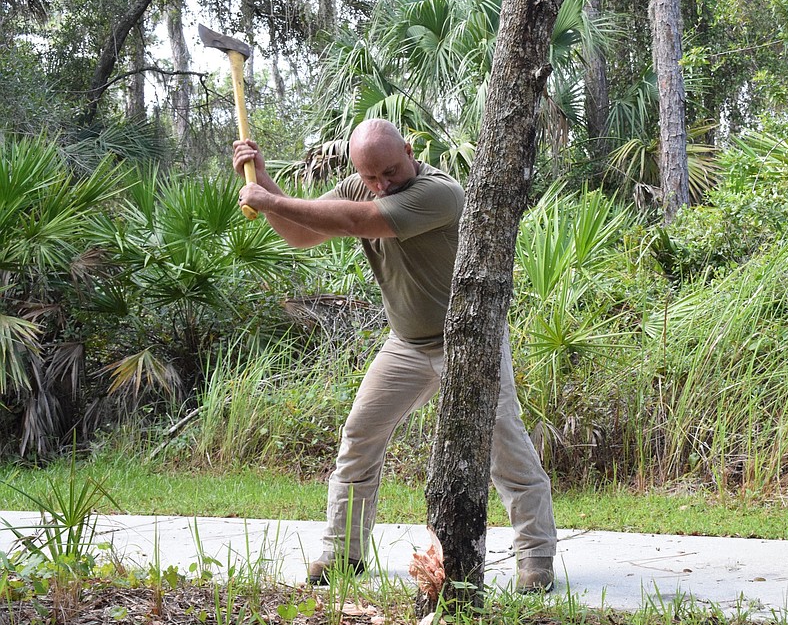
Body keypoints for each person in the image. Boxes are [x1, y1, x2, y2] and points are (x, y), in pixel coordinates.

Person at [232, 119, 558, 593]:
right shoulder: (358, 186)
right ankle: (344, 551)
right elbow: (300, 235)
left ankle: (536, 558)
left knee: (502, 445)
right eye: (370, 179)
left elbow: (355, 221)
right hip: (406, 344)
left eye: (389, 172)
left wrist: (269, 200)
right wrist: (261, 179)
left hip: (467, 342)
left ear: (409, 150)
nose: (381, 185)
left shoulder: (438, 193)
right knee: (360, 435)